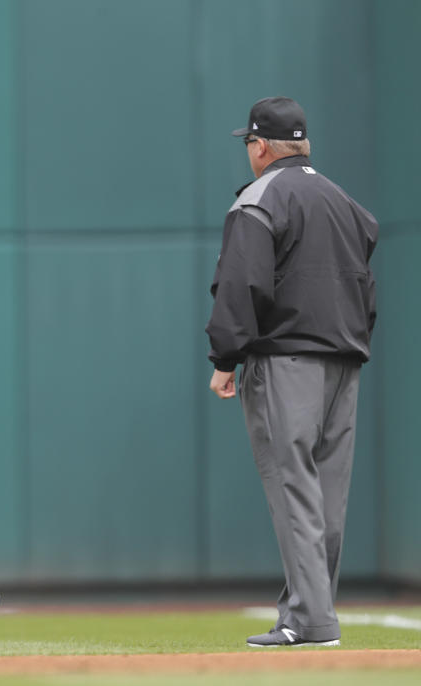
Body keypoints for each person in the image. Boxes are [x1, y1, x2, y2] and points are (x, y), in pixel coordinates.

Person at [205, 97, 378, 648]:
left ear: (259, 147)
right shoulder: (343, 200)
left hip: (287, 362)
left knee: (293, 487)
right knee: (326, 495)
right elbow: (366, 287)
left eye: (249, 144)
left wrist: (226, 358)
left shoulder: (259, 198)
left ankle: (312, 620)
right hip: (345, 361)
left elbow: (242, 285)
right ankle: (309, 614)